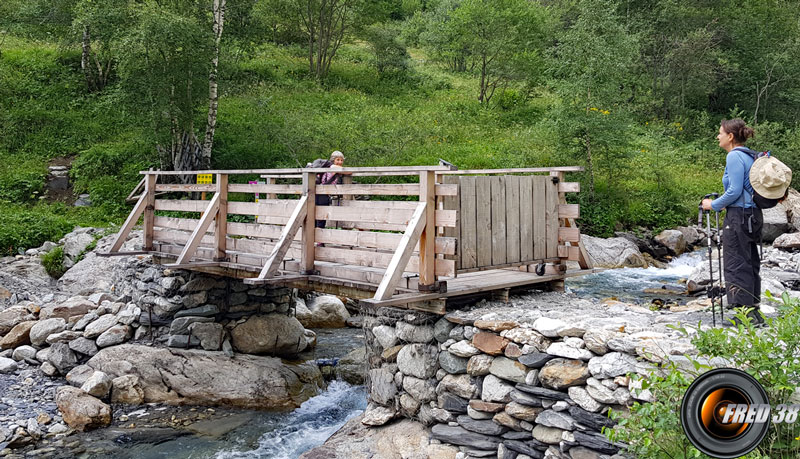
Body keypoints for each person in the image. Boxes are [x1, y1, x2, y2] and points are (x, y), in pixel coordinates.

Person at [701, 119, 764, 326]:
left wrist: (713, 204)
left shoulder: (735, 156)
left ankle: (743, 316)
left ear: (730, 137)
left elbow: (734, 191)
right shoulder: (750, 155)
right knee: (750, 261)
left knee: (736, 262)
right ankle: (754, 312)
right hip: (753, 216)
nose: (717, 136)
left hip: (738, 216)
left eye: (720, 133)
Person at [314, 151, 346, 229]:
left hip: (320, 192)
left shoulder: (331, 168)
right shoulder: (332, 167)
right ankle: (319, 237)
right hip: (323, 193)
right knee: (321, 214)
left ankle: (317, 236)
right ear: (333, 160)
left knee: (318, 214)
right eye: (338, 160)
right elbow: (348, 171)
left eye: (341, 160)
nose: (340, 162)